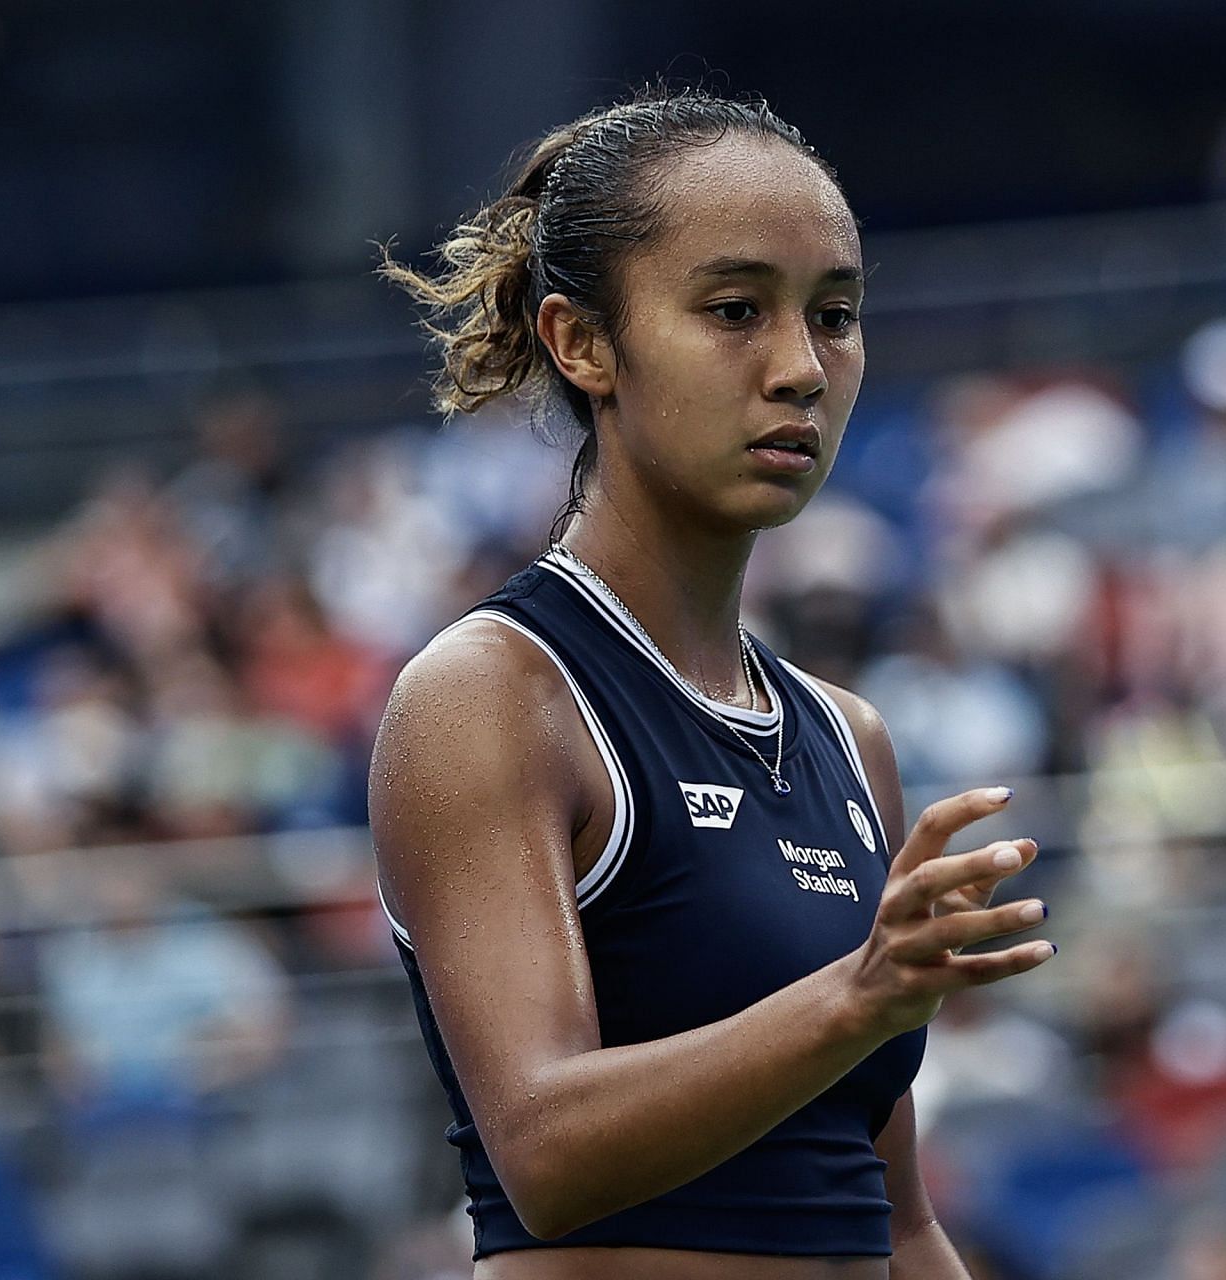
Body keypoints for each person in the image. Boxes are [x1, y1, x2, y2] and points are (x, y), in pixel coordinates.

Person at [370, 87, 1058, 1279]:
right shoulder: (491, 695)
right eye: (736, 310)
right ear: (581, 342)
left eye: (834, 315)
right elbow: (547, 1149)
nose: (801, 367)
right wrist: (856, 995)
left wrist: (865, 998)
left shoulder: (850, 737)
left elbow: (894, 1223)